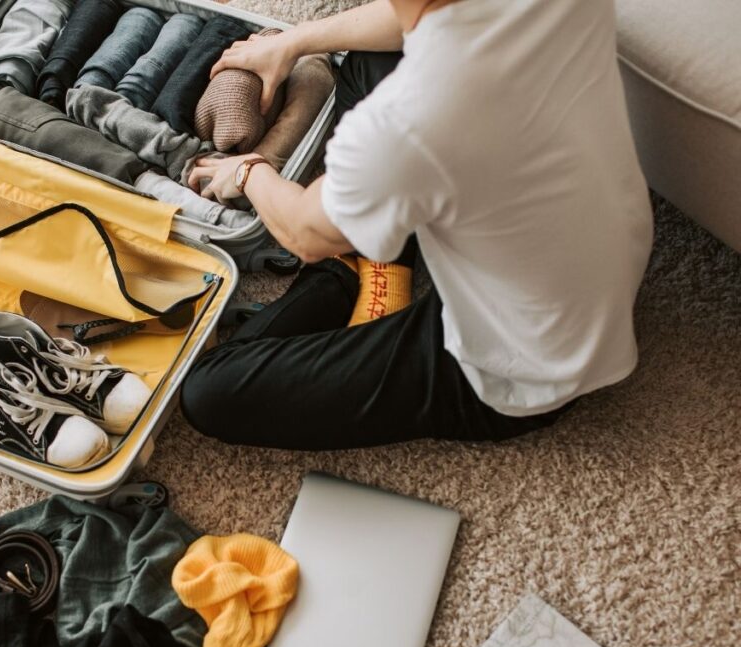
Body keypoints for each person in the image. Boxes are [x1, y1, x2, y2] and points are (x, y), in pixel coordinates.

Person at [180, 0, 653, 451]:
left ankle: (347, 275)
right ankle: (369, 245)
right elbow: (410, 17)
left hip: (525, 367)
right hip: (596, 260)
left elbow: (304, 236)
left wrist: (247, 171)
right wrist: (293, 41)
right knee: (369, 60)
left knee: (209, 388)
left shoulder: (405, 120)